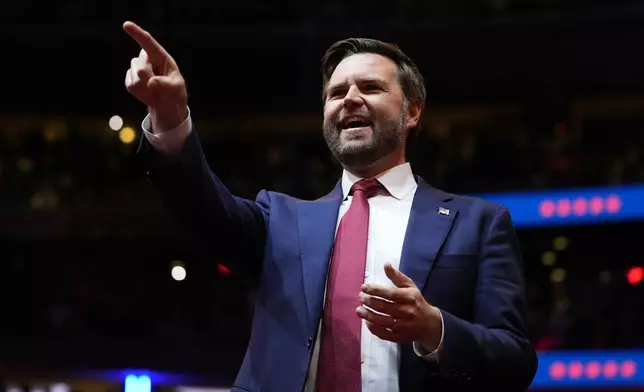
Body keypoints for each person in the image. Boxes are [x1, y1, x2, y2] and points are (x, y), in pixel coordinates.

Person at [123, 21, 538, 392]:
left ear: (411, 111)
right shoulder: (281, 220)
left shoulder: (480, 224)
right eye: (336, 92)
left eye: (371, 87)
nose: (350, 99)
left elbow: (515, 361)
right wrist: (171, 118)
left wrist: (436, 329)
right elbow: (203, 211)